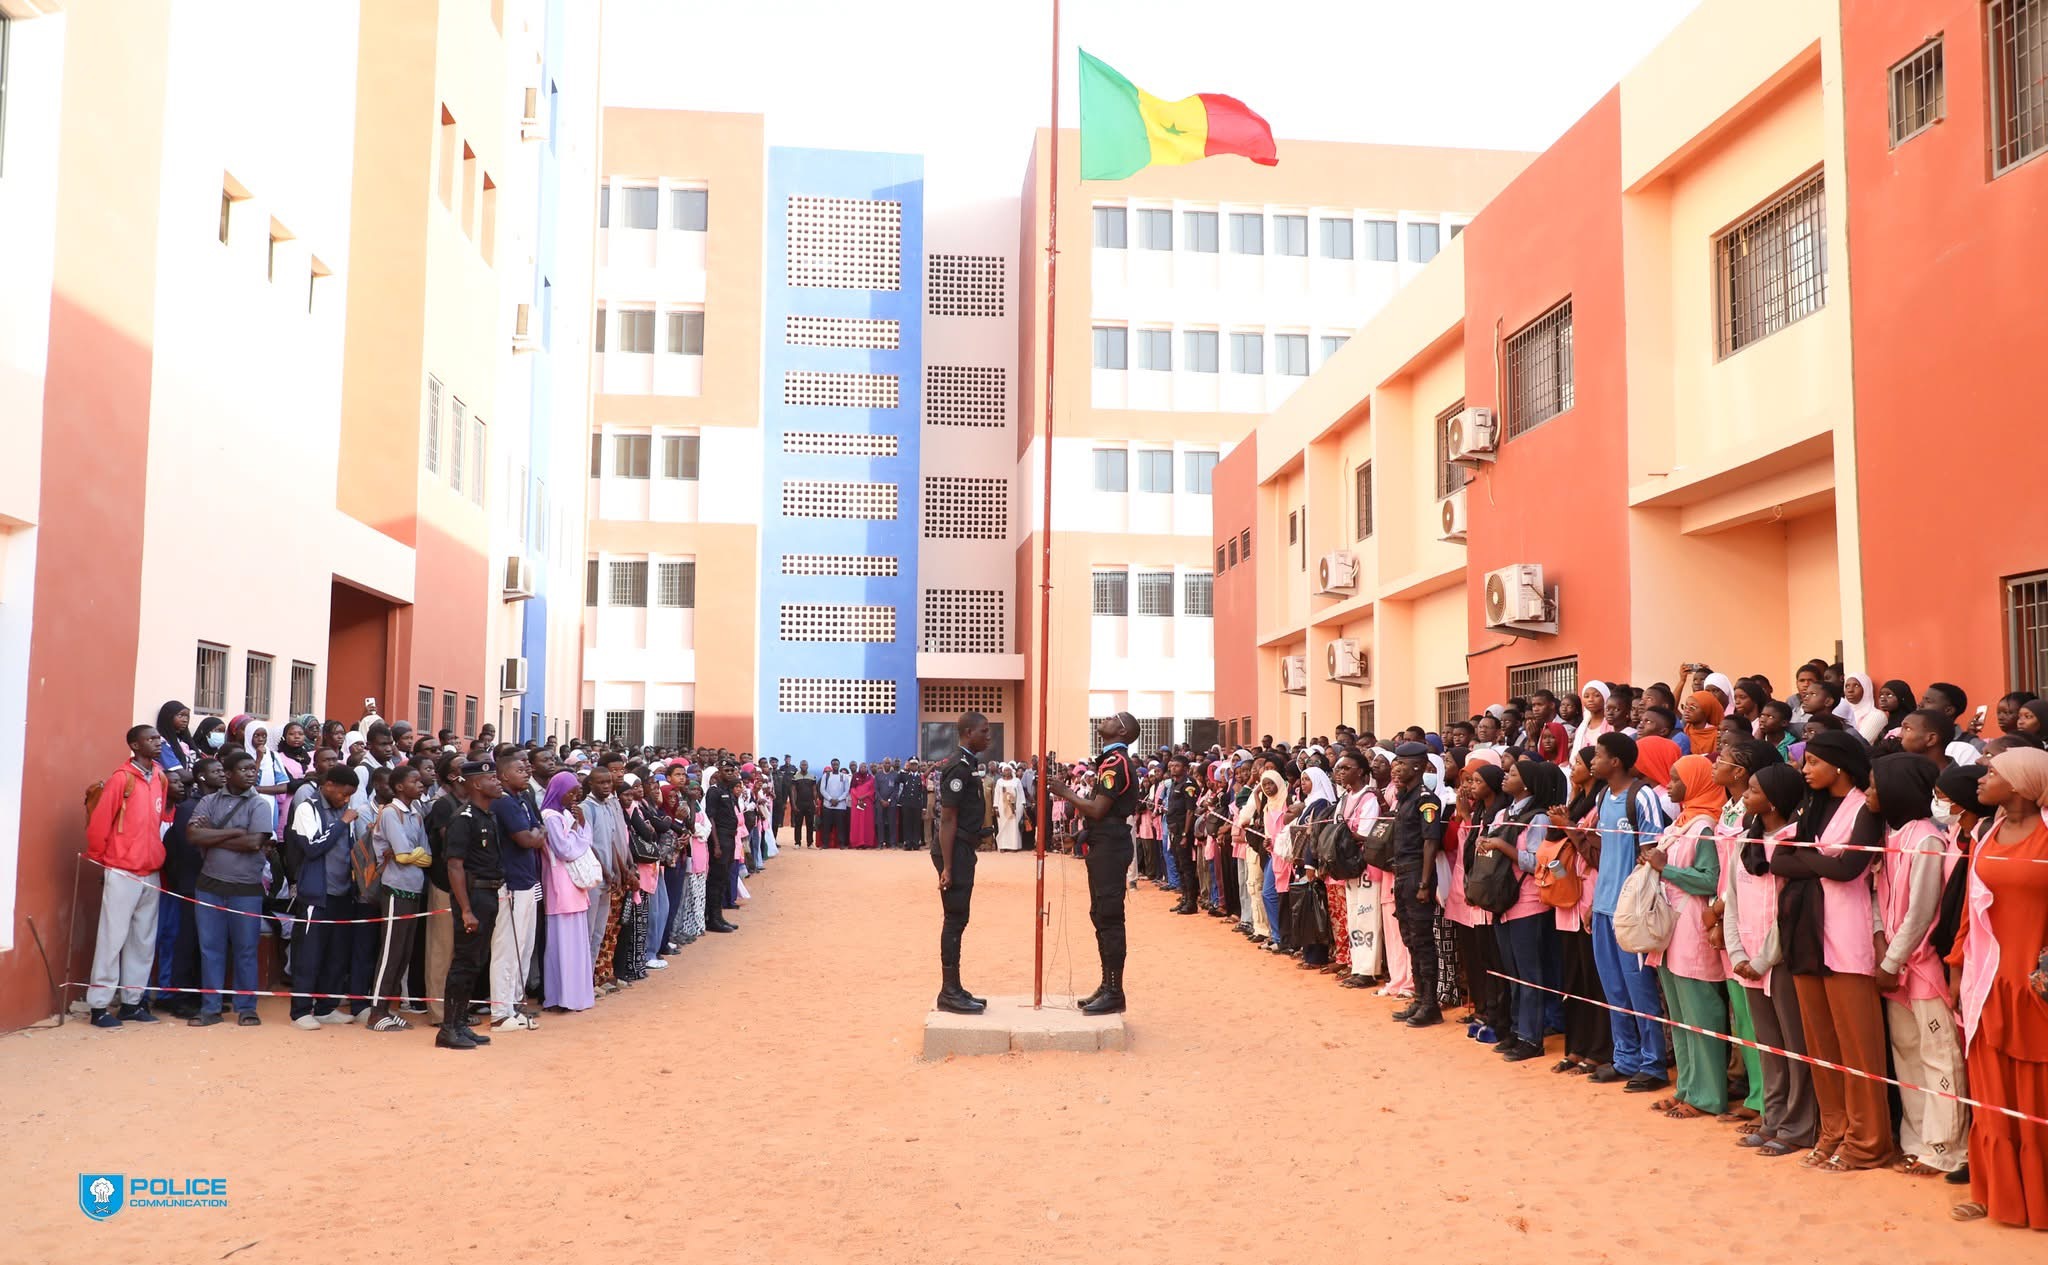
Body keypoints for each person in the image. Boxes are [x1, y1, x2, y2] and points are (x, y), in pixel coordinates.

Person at [1771, 729, 1893, 1172]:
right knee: (1820, 1043)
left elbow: (1850, 868)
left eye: (1812, 763)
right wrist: (1820, 860)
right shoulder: (1811, 806)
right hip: (1804, 934)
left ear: (1838, 765)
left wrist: (1810, 860)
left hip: (1845, 937)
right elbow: (1775, 860)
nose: (1805, 770)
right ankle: (1833, 1130)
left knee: (1858, 1047)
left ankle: (1868, 1141)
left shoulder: (1865, 806)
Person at [1952, 747, 2048, 1226]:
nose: (1982, 778)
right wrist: (1956, 966)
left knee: (2037, 1096)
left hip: (2036, 986)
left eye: (1993, 772)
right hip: (1986, 980)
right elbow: (1973, 911)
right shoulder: (1986, 833)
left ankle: (2039, 1200)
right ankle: (1996, 1195)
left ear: (2021, 783)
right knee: (1992, 1094)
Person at [1865, 751, 1968, 1178]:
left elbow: (1922, 910)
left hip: (1920, 966)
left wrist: (1892, 958)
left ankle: (1947, 1147)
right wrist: (1879, 944)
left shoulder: (1926, 838)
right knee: (1906, 1054)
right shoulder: (1894, 833)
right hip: (1894, 964)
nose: (1869, 792)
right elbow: (1877, 898)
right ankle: (1917, 1139)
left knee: (1939, 1056)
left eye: (1874, 785)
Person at [1641, 754, 1731, 1119]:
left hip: (1693, 927)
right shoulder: (1680, 824)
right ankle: (1687, 1087)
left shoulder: (1705, 826)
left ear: (1695, 783)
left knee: (1701, 1016)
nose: (1671, 786)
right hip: (1670, 929)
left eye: (1677, 779)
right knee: (1679, 1016)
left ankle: (1708, 1096)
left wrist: (1667, 869)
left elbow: (1710, 878)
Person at [1583, 732, 1670, 1088]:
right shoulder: (1603, 796)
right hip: (1603, 908)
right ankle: (1625, 1057)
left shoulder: (1643, 796)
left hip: (1631, 911)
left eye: (1598, 755)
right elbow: (1606, 855)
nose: (1592, 761)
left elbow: (1652, 854)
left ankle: (1653, 1065)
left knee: (1640, 989)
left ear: (1615, 761)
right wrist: (1593, 901)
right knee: (1614, 989)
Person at [1047, 713, 1145, 1015]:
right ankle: (1107, 983)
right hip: (1103, 842)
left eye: (1115, 718)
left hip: (1111, 845)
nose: (1107, 718)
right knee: (1100, 914)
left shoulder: (1116, 764)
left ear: (1123, 730)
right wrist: (1079, 837)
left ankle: (1115, 990)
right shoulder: (1108, 761)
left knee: (1110, 916)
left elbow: (1099, 809)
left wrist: (1064, 792)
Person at [83, 725, 173, 1028]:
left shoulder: (160, 777)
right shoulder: (121, 779)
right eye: (150, 739)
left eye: (158, 738)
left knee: (143, 940)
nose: (157, 743)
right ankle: (99, 1006)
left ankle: (133, 1002)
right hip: (122, 868)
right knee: (112, 938)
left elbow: (161, 820)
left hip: (150, 870)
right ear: (135, 745)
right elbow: (99, 824)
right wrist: (102, 862)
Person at [183, 750, 274, 1027]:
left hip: (246, 888)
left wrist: (213, 837)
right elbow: (192, 835)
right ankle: (210, 1008)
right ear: (229, 773)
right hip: (209, 885)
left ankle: (246, 1007)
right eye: (245, 769)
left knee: (246, 949)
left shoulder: (259, 805)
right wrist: (235, 832)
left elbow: (254, 843)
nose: (251, 773)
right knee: (211, 948)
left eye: (253, 769)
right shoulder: (209, 801)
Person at [285, 765, 362, 1029]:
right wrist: (342, 823)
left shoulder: (346, 812)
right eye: (344, 793)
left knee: (336, 954)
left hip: (342, 892)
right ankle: (301, 1011)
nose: (346, 799)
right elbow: (312, 847)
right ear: (329, 785)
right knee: (309, 954)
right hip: (317, 894)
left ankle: (326, 1007)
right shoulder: (308, 808)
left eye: (351, 794)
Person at [439, 760, 504, 1050]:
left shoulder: (487, 816)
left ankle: (461, 1023)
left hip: (488, 894)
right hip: (473, 895)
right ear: (476, 783)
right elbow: (455, 866)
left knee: (476, 961)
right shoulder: (463, 818)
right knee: (463, 963)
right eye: (492, 777)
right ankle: (448, 1028)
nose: (498, 781)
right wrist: (465, 909)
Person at [933, 712, 994, 1014]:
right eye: (985, 731)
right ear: (969, 733)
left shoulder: (969, 764)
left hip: (962, 848)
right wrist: (947, 866)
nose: (989, 736)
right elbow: (947, 819)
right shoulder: (958, 767)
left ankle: (955, 987)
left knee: (959, 919)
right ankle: (948, 992)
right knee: (954, 919)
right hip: (952, 851)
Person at [365, 765, 432, 1032]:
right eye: (415, 780)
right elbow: (403, 855)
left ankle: (389, 1010)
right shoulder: (391, 813)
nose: (421, 784)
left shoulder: (415, 814)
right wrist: (408, 854)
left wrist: (408, 854)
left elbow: (426, 856)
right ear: (400, 787)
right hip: (394, 889)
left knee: (404, 952)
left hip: (414, 887)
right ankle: (376, 1013)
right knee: (390, 952)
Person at [1384, 740, 1446, 1028]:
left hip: (1415, 876)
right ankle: (1420, 999)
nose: (1396, 768)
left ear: (1418, 766)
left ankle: (1430, 1005)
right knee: (1410, 937)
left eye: (1402, 763)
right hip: (1402, 874)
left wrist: (1424, 883)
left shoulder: (1426, 799)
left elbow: (1431, 842)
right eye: (1395, 762)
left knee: (1422, 941)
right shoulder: (1405, 797)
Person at [487, 752, 545, 1032]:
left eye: (526, 768)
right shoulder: (504, 803)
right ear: (503, 775)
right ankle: (500, 1012)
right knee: (506, 949)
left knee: (524, 947)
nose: (526, 772)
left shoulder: (523, 799)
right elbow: (527, 838)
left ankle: (513, 1005)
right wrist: (536, 834)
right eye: (520, 769)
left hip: (528, 881)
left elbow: (539, 831)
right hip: (510, 884)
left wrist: (536, 834)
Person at [702, 762, 740, 932]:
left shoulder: (727, 790)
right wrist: (716, 844)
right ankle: (712, 919)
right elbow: (711, 818)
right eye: (727, 770)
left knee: (723, 878)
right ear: (719, 772)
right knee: (716, 880)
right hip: (720, 839)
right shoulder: (714, 791)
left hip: (730, 838)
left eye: (732, 770)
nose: (730, 773)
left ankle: (719, 916)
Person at [819, 760, 851, 849]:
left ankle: (841, 844)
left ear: (839, 765)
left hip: (840, 806)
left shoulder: (844, 776)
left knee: (841, 826)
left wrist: (838, 800)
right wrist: (830, 799)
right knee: (826, 826)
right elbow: (822, 790)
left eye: (837, 764)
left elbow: (847, 790)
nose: (835, 766)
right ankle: (825, 844)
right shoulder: (826, 776)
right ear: (831, 765)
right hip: (828, 805)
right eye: (834, 764)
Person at [994, 763, 1024, 852]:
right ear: (1002, 772)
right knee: (1002, 826)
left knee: (1013, 826)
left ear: (1011, 771)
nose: (1007, 772)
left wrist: (1021, 805)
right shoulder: (999, 782)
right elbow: (997, 794)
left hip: (1014, 807)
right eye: (1005, 770)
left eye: (1008, 770)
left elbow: (1021, 794)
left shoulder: (1016, 781)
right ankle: (1003, 846)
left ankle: (1014, 846)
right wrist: (995, 807)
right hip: (1002, 806)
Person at [849, 763, 877, 849]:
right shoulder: (855, 776)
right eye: (861, 767)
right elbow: (852, 789)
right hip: (857, 803)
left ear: (867, 768)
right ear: (859, 768)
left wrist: (864, 796)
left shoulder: (871, 778)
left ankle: (867, 842)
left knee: (867, 822)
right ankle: (857, 842)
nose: (863, 768)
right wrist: (858, 797)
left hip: (867, 803)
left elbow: (873, 790)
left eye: (865, 767)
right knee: (857, 823)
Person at [790, 760, 817, 848]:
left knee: (810, 824)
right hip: (799, 803)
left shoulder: (812, 777)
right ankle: (797, 843)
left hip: (809, 803)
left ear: (808, 766)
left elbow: (814, 790)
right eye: (802, 765)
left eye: (805, 765)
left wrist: (816, 802)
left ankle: (810, 843)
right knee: (798, 824)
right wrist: (793, 804)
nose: (804, 766)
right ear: (800, 766)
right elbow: (793, 791)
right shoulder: (795, 777)